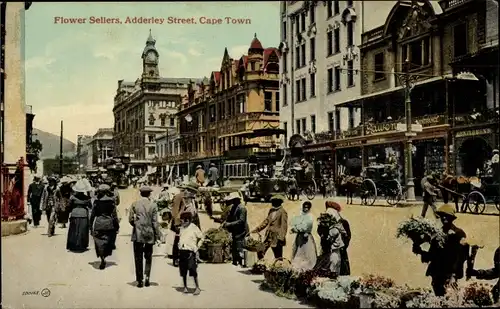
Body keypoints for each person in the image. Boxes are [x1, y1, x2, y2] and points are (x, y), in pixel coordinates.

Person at [413, 204, 468, 297]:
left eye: (446, 215)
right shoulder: (436, 234)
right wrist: (419, 251)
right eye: (442, 215)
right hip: (437, 273)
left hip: (450, 273)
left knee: (450, 297)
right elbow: (432, 255)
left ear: (452, 218)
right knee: (439, 296)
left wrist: (454, 275)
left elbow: (462, 257)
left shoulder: (459, 234)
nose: (444, 218)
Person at [129, 186, 162, 288]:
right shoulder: (153, 205)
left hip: (138, 234)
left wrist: (136, 224)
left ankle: (139, 280)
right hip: (149, 233)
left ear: (141, 193)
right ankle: (147, 276)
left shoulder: (135, 204)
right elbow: (155, 222)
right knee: (148, 256)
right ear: (149, 194)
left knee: (138, 257)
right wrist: (158, 234)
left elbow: (130, 219)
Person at [314, 202, 347, 278]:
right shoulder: (324, 225)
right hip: (328, 249)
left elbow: (345, 236)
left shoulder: (340, 224)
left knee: (334, 266)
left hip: (335, 249)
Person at [90, 184, 120, 270]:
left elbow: (92, 215)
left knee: (99, 243)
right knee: (108, 242)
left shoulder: (96, 202)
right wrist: (117, 226)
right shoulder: (111, 202)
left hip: (98, 224)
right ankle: (105, 256)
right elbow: (114, 216)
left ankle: (102, 257)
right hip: (109, 224)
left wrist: (90, 226)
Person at [251, 194, 288, 260]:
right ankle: (260, 265)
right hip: (269, 235)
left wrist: (281, 237)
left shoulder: (283, 212)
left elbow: (284, 226)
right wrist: (258, 229)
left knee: (278, 255)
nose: (272, 203)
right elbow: (266, 221)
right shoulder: (271, 211)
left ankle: (279, 268)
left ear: (279, 202)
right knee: (261, 250)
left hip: (277, 237)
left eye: (274, 201)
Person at [178, 211, 204, 295]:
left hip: (190, 252)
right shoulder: (181, 228)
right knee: (183, 270)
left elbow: (201, 237)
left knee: (192, 269)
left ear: (187, 220)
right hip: (182, 251)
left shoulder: (194, 228)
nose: (181, 222)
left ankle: (197, 287)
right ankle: (185, 287)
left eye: (182, 221)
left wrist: (197, 247)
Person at [219, 192, 248, 267]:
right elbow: (230, 217)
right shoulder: (234, 207)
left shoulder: (242, 208)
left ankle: (241, 261)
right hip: (235, 230)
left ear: (237, 200)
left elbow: (241, 221)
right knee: (235, 245)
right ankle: (236, 260)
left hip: (241, 230)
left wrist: (229, 224)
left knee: (239, 245)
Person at [290, 201, 317, 271]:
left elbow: (307, 226)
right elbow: (295, 223)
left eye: (307, 208)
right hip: (300, 236)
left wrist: (299, 229)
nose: (306, 209)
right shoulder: (300, 215)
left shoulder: (310, 216)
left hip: (306, 236)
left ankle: (307, 267)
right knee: (299, 251)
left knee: (307, 252)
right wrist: (295, 229)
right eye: (304, 207)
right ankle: (299, 267)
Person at [66, 180, 92, 252]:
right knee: (82, 230)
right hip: (83, 214)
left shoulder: (72, 197)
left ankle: (73, 245)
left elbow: (69, 206)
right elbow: (90, 206)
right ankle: (82, 245)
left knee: (74, 230)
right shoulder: (87, 198)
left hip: (74, 214)